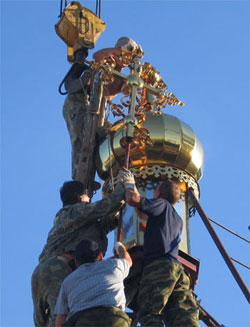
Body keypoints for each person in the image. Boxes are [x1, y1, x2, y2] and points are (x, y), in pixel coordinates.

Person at [31, 180, 125, 327]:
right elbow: (103, 207)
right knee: (61, 317)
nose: (89, 199)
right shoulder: (75, 210)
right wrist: (123, 188)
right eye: (88, 195)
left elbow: (98, 230)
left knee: (45, 322)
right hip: (58, 269)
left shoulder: (73, 219)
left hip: (43, 273)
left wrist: (116, 216)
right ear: (80, 197)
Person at [119, 168, 199, 327]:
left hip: (158, 266)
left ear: (158, 194)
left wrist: (129, 185)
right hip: (177, 271)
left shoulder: (161, 204)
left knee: (149, 312)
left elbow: (133, 200)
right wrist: (135, 187)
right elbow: (142, 214)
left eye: (153, 191)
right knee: (182, 314)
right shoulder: (176, 218)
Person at [62, 36, 140, 180]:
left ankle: (103, 170)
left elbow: (130, 89)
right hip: (78, 105)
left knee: (112, 133)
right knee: (82, 141)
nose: (124, 57)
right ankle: (79, 180)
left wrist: (135, 69)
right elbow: (97, 55)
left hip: (97, 113)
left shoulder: (120, 78)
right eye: (123, 52)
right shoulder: (104, 63)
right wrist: (118, 51)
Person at [54, 239, 132, 327]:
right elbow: (127, 260)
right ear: (101, 256)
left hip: (83, 322)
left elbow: (60, 318)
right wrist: (119, 246)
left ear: (76, 262)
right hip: (114, 319)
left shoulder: (68, 281)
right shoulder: (114, 265)